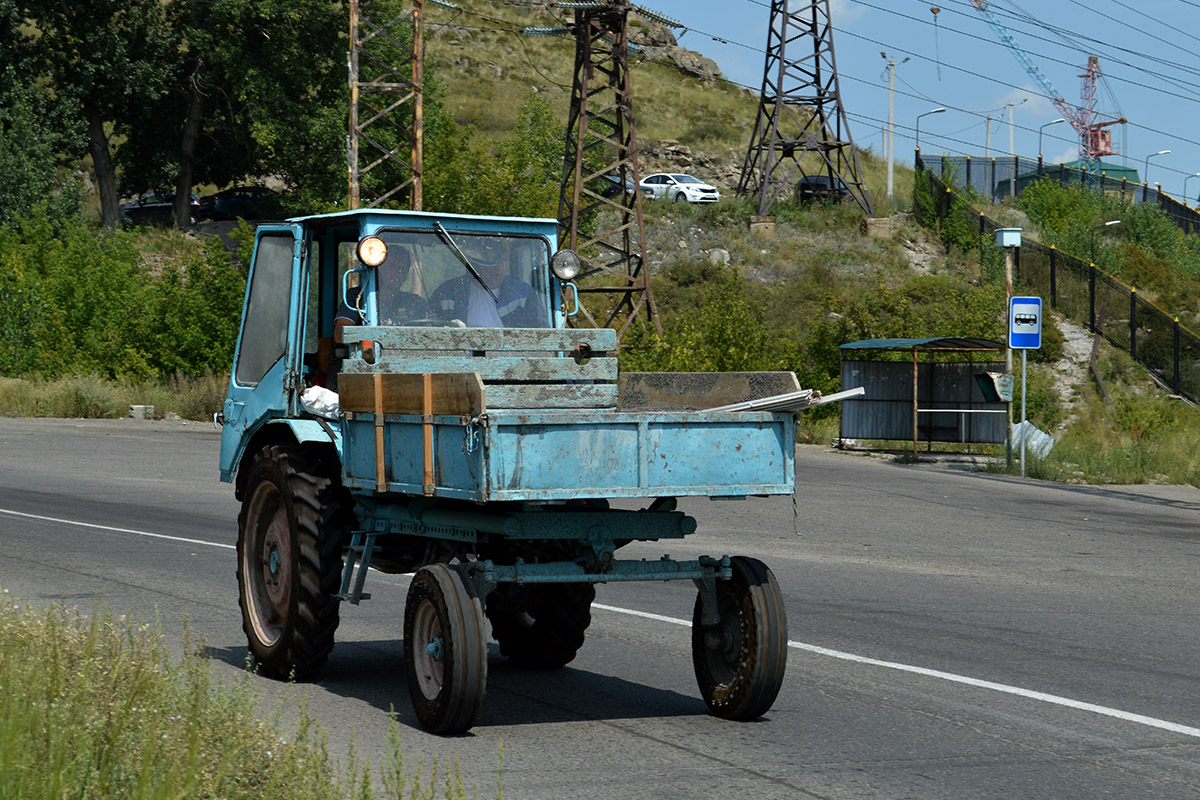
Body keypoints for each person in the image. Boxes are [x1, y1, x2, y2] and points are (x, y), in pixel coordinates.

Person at [428, 238, 547, 328]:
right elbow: (428, 325)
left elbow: (542, 333)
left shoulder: (524, 294)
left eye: (504, 261)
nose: (498, 268)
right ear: (477, 264)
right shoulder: (447, 292)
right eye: (492, 261)